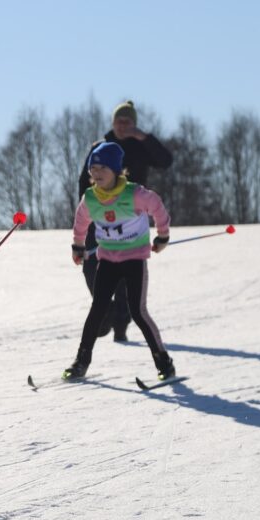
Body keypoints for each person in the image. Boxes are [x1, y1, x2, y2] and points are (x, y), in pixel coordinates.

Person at [63, 141, 174, 381]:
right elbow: (81, 222)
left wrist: (162, 236)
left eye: (102, 168)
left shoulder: (134, 194)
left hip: (134, 259)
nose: (96, 173)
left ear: (115, 170)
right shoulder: (90, 198)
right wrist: (78, 246)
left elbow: (157, 207)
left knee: (138, 311)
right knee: (97, 310)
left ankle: (164, 363)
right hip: (108, 259)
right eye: (93, 168)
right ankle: (81, 362)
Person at [77, 101, 173, 342]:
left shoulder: (141, 146)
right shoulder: (100, 147)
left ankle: (121, 323)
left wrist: (144, 137)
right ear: (112, 123)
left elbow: (165, 161)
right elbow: (83, 181)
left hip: (131, 218)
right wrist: (87, 211)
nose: (122, 126)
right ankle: (107, 311)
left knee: (125, 273)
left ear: (134, 123)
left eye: (127, 122)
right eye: (118, 121)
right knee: (91, 265)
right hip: (100, 217)